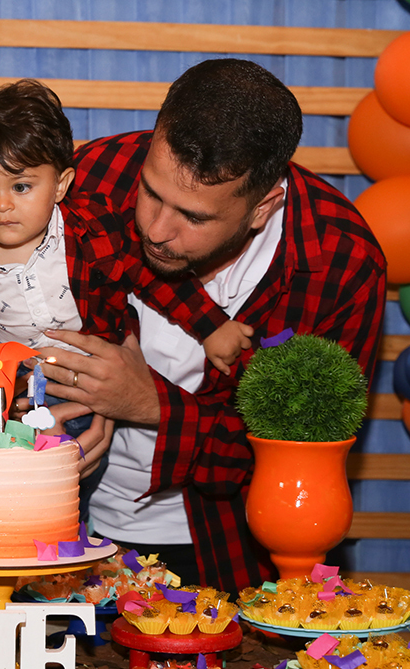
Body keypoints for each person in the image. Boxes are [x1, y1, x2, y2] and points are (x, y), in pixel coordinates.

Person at [32, 59, 388, 594]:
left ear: (263, 206)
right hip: (56, 528)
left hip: (226, 553)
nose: (155, 229)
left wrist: (148, 404)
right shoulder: (96, 174)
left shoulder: (341, 261)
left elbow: (302, 459)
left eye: (194, 218)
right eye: (151, 192)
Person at [0, 79, 246, 454]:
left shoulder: (95, 229)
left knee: (82, 467)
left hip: (91, 380)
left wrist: (211, 326)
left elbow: (154, 280)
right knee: (23, 482)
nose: (2, 205)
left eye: (21, 187)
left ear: (60, 185)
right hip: (14, 393)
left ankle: (79, 510)